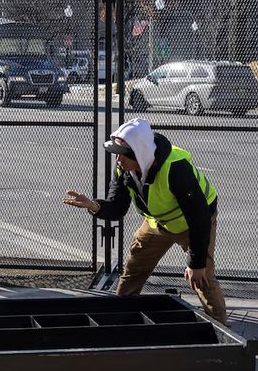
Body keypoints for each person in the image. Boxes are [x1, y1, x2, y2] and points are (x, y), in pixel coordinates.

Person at [63, 117, 227, 324]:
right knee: (134, 268)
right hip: (157, 223)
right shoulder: (125, 169)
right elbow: (117, 208)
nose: (118, 161)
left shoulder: (176, 168)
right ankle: (120, 315)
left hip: (194, 223)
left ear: (139, 154)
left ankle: (221, 328)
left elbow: (199, 218)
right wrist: (93, 205)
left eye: (122, 156)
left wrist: (196, 264)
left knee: (202, 278)